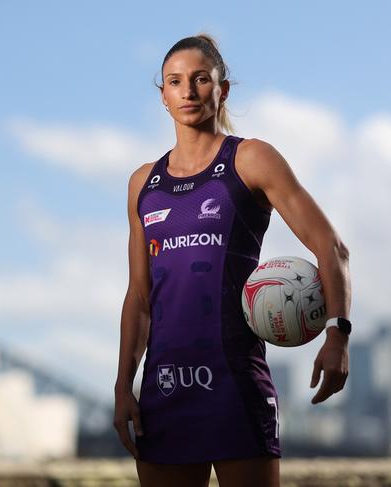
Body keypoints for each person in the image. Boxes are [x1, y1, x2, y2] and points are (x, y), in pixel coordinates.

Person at [113, 33, 351, 487]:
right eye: (175, 81)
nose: (188, 91)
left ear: (222, 90)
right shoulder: (143, 183)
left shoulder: (251, 159)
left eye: (201, 79)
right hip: (163, 390)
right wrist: (124, 384)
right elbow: (140, 297)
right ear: (162, 95)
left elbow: (331, 246)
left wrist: (338, 334)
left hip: (234, 383)